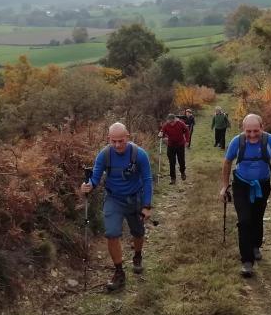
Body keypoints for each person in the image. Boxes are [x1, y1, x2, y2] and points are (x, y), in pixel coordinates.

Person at [80, 122, 153, 292]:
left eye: (121, 141)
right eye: (114, 141)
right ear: (108, 139)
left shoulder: (139, 154)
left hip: (135, 198)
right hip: (113, 199)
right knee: (112, 233)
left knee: (138, 232)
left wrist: (147, 205)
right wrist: (88, 185)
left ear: (127, 136)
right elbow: (95, 179)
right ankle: (119, 272)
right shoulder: (104, 155)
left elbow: (148, 180)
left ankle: (137, 256)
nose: (117, 145)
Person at [218, 114, 271, 278]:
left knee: (257, 217)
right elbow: (227, 163)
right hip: (241, 185)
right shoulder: (237, 141)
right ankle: (247, 261)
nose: (253, 135)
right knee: (245, 220)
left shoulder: (269, 141)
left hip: (262, 185)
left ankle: (256, 245)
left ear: (262, 127)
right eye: (249, 131)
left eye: (256, 131)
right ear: (243, 129)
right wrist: (224, 186)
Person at [159, 113, 190, 184]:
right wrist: (161, 134)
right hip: (171, 145)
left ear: (175, 120)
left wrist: (187, 141)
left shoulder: (181, 124)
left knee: (181, 160)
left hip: (180, 145)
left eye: (173, 122)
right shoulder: (166, 125)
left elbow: (187, 131)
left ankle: (182, 172)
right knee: (172, 162)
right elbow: (162, 132)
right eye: (170, 122)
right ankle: (173, 178)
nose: (171, 124)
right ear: (168, 121)